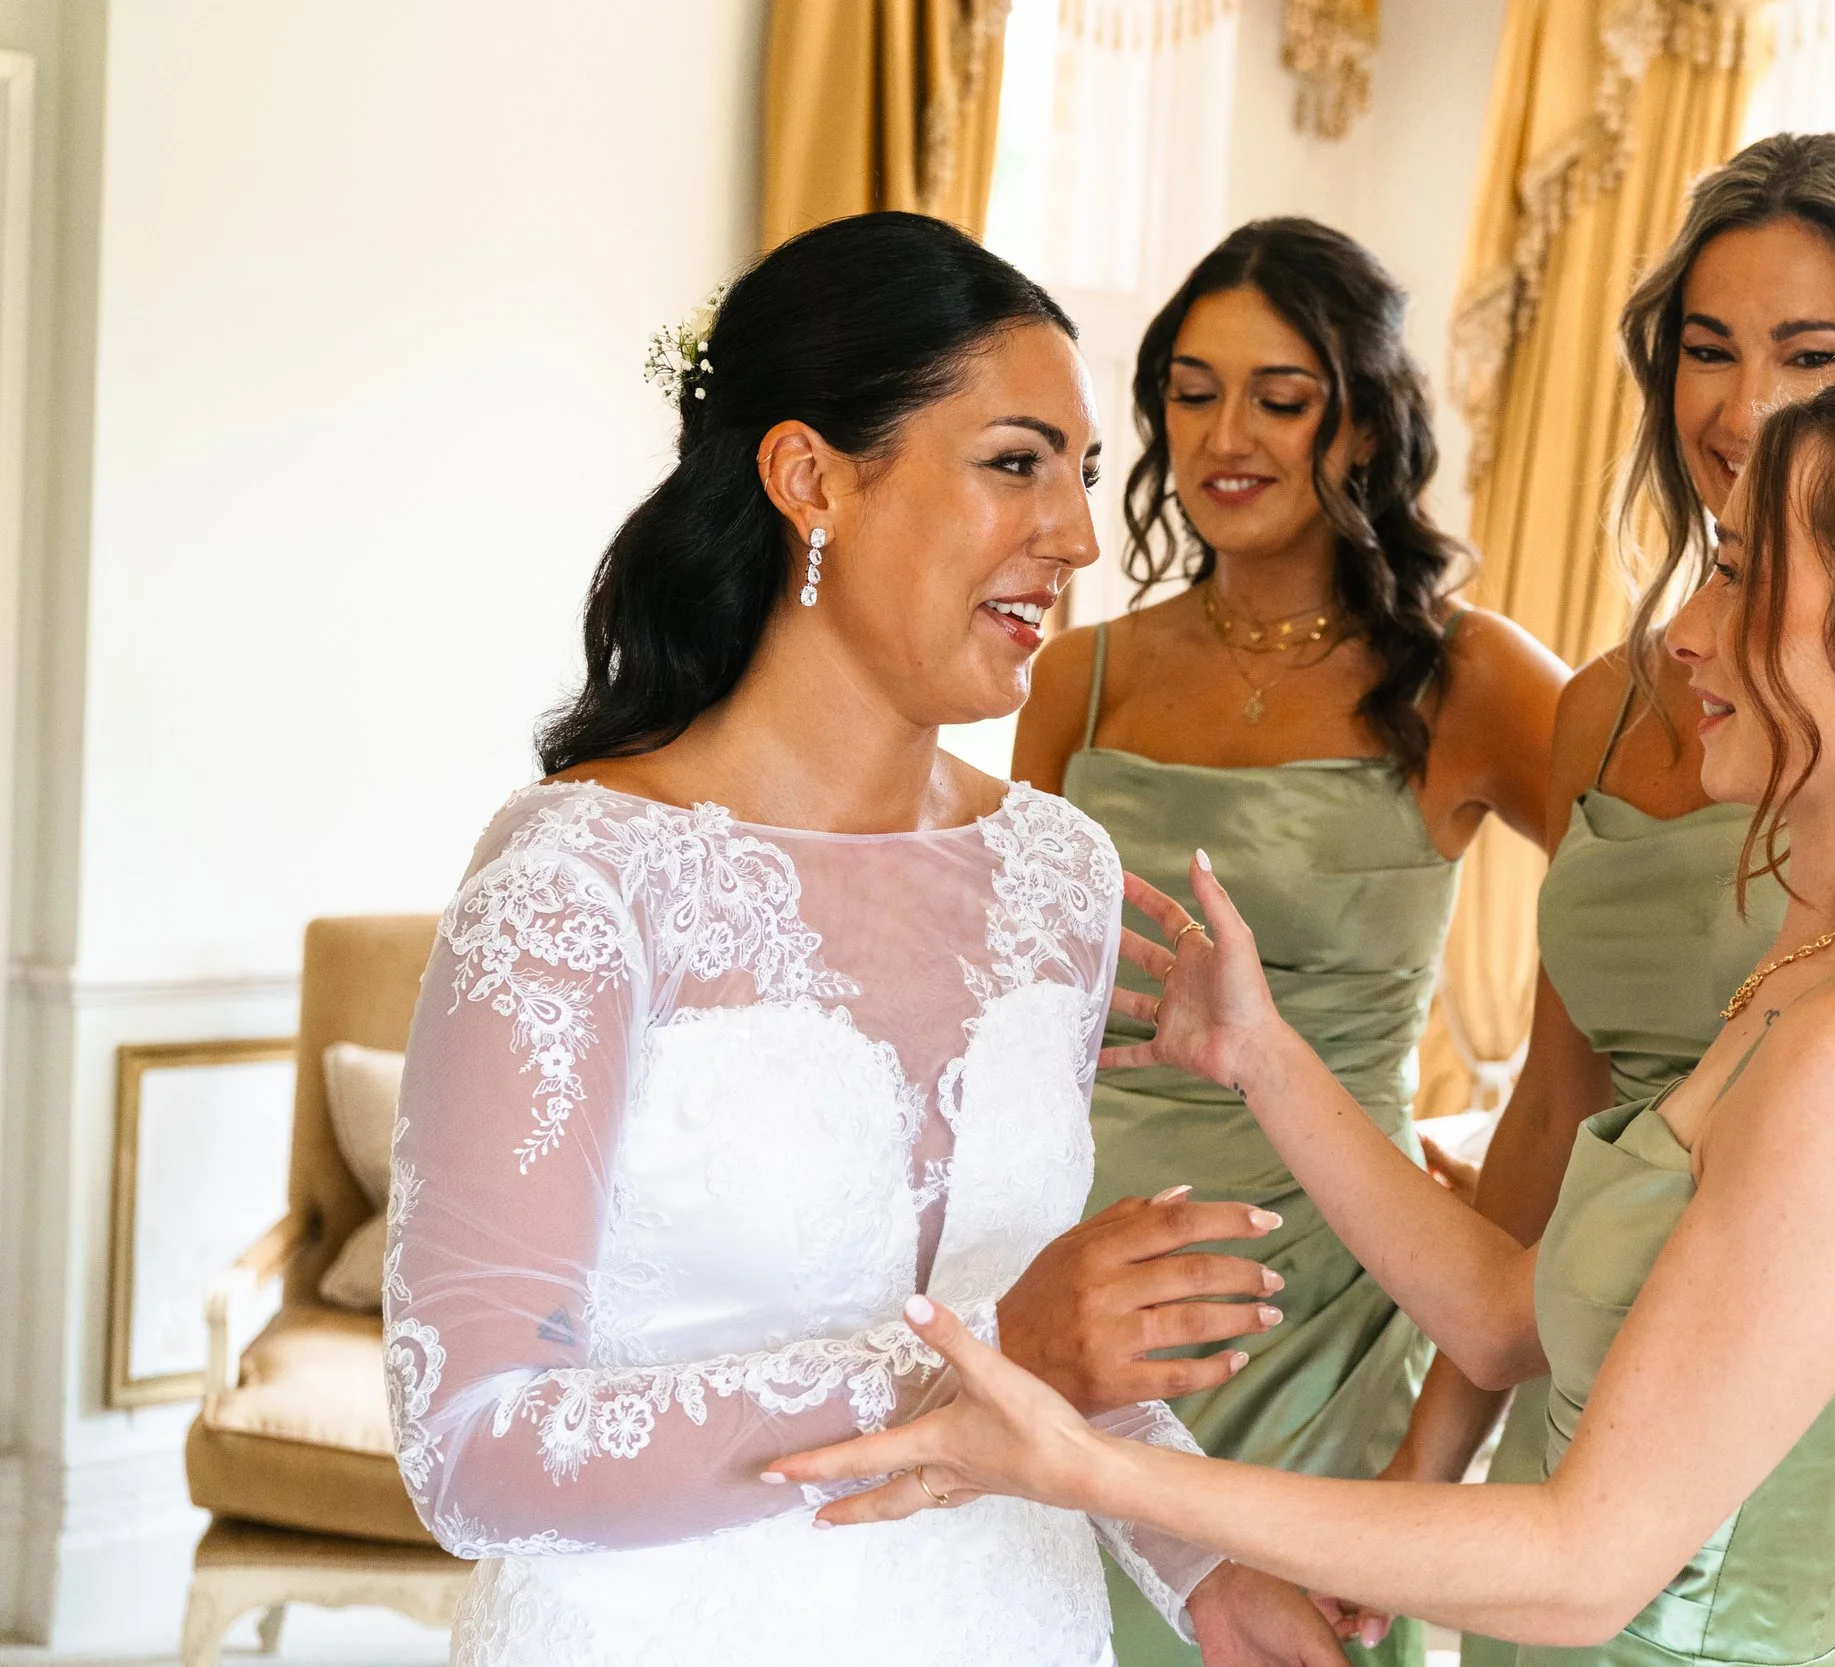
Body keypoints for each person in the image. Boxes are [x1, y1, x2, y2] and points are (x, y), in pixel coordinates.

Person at [777, 354, 1835, 1667]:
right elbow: (1498, 1315)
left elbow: (1590, 1561)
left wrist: (1090, 1467)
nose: (1685, 635)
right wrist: (1263, 1056)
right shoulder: (1823, 964)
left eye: (1737, 574)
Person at [383, 212, 1349, 1666]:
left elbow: (1043, 1348)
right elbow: (471, 1448)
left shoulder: (1057, 876)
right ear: (810, 478)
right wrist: (992, 1355)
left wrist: (1207, 1559)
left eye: (1082, 476)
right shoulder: (580, 880)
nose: (1079, 535)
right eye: (1015, 462)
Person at [1381, 133, 1835, 1667]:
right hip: (1593, 1393)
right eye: (1707, 351)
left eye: (1809, 352)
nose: (1742, 405)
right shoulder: (1606, 706)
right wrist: (1425, 1470)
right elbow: (1548, 1116)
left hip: (1817, 1471)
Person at [1014, 217, 1563, 1667]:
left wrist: (1541, 1170)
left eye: (1280, 393)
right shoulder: (1083, 676)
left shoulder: (1475, 679)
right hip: (1090, 1275)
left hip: (1323, 1301)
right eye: (1192, 391)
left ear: (1364, 420)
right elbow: (1005, 1005)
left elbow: (1661, 918)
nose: (1224, 434)